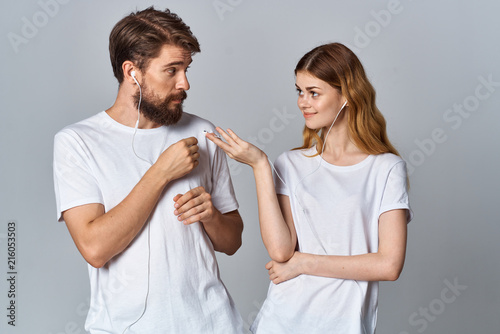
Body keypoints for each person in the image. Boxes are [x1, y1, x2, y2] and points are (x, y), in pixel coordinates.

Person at [53, 7, 244, 333]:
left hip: (215, 324)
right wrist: (161, 173)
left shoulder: (202, 132)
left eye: (186, 68)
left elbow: (232, 241)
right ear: (132, 71)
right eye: (171, 70)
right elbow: (95, 248)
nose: (185, 83)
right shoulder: (77, 142)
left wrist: (210, 215)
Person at [207, 42, 412, 333]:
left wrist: (302, 263)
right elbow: (281, 251)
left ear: (348, 96)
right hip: (280, 322)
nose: (303, 102)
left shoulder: (386, 168)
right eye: (299, 91)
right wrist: (261, 166)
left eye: (314, 93)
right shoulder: (289, 164)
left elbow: (388, 265)